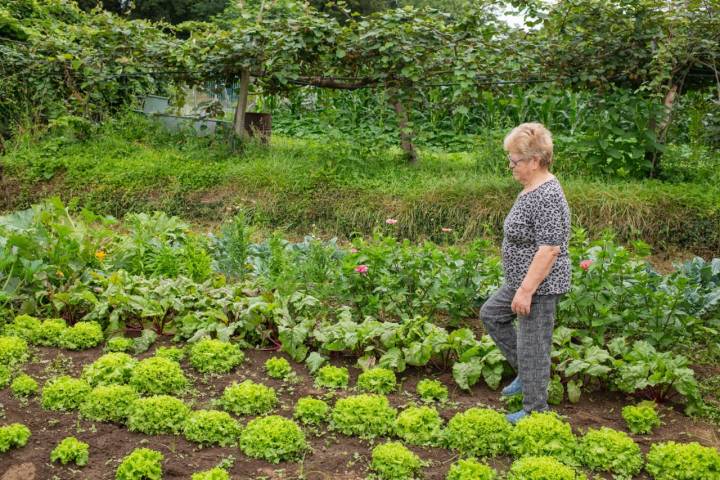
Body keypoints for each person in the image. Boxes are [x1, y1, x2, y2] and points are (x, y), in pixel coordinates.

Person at [480, 122, 571, 424]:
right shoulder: (532, 188)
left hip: (539, 286)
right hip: (521, 281)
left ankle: (535, 411)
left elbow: (549, 249)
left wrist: (527, 289)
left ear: (534, 161)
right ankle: (526, 372)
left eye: (514, 161)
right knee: (492, 314)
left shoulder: (546, 195)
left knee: (534, 345)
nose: (511, 166)